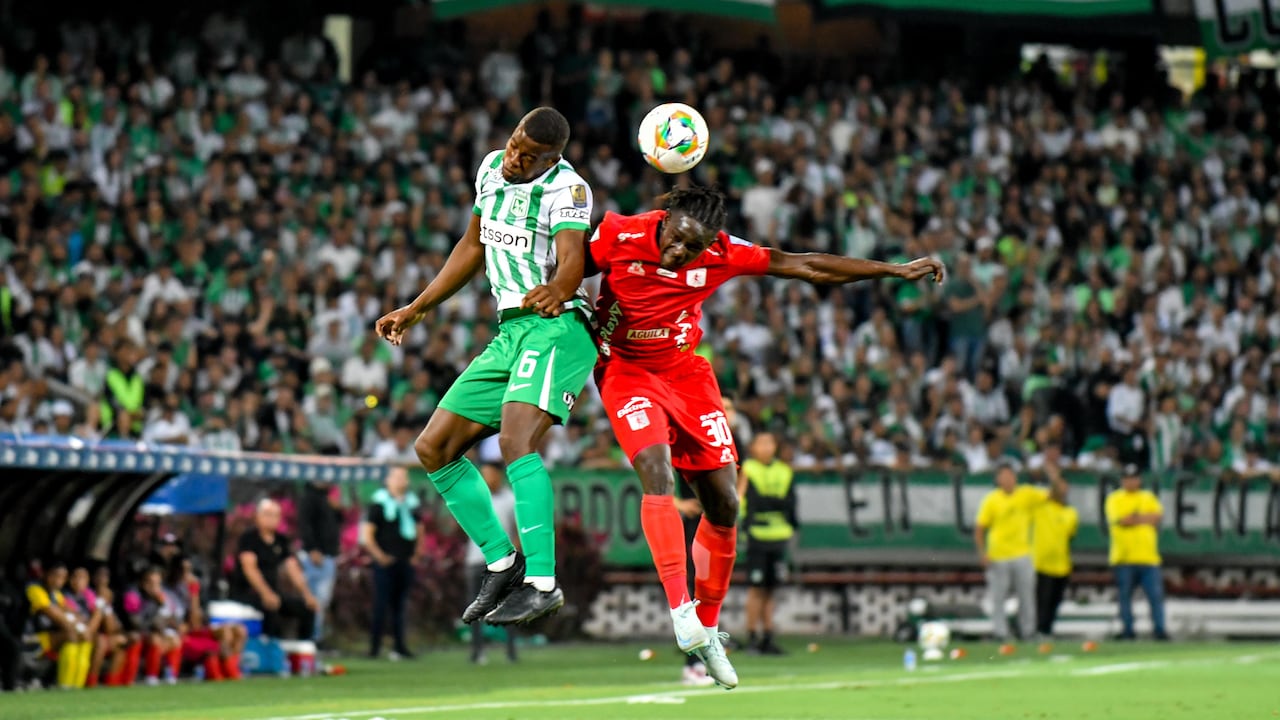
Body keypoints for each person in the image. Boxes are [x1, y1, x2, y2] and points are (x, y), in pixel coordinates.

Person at [584, 186, 944, 689]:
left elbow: (806, 266)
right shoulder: (620, 232)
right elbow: (566, 268)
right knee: (656, 471)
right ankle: (680, 608)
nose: (679, 254)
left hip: (687, 376)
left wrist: (892, 269)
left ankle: (707, 631)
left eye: (693, 247)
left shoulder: (723, 253)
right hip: (626, 371)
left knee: (725, 506)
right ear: (664, 220)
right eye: (675, 240)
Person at [376, 107, 597, 626]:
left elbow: (572, 259)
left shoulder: (569, 189)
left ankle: (542, 582)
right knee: (433, 447)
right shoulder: (491, 168)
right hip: (509, 333)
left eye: (529, 155)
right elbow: (473, 245)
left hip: (556, 327)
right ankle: (502, 563)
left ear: (554, 158)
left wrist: (559, 288)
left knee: (515, 441)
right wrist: (418, 306)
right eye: (515, 144)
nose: (516, 158)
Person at [974, 463, 1069, 641]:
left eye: (1010, 475)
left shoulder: (1026, 494)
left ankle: (1028, 632)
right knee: (998, 598)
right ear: (998, 479)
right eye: (1004, 475)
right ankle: (1000, 633)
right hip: (998, 555)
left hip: (1022, 553)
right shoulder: (992, 499)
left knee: (1027, 597)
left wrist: (1054, 478)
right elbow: (980, 528)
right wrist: (982, 553)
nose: (1008, 479)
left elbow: (1056, 496)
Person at [739, 432, 796, 656]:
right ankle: (752, 635)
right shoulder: (748, 469)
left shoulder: (784, 471)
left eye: (770, 442)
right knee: (756, 588)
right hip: (757, 536)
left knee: (771, 589)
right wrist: (773, 503)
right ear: (752, 447)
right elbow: (751, 502)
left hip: (779, 536)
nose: (766, 447)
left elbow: (789, 504)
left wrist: (768, 504)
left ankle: (768, 636)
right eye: (761, 443)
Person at [230, 499, 318, 639]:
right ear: (258, 516)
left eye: (275, 515)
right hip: (249, 592)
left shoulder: (281, 540)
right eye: (267, 514)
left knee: (306, 608)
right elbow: (250, 569)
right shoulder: (249, 538)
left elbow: (292, 568)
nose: (271, 519)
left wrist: (307, 594)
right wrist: (265, 593)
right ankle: (267, 648)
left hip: (273, 592)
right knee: (270, 607)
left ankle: (303, 649)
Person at [361, 466, 423, 659]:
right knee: (381, 604)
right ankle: (375, 647)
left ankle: (399, 646)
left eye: (403, 477)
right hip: (385, 562)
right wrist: (379, 556)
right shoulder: (378, 504)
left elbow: (420, 530)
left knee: (400, 605)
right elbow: (368, 534)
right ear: (388, 480)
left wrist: (417, 554)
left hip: (405, 561)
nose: (400, 481)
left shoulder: (411, 504)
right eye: (396, 477)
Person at [466, 438, 519, 665]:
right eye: (484, 474)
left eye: (491, 474)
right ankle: (477, 652)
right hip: (475, 559)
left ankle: (510, 651)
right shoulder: (475, 497)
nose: (488, 478)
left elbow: (518, 530)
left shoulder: (510, 499)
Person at [1106, 464, 1169, 640]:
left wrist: (1135, 518)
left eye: (1134, 478)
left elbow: (1157, 517)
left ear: (1139, 479)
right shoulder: (1114, 498)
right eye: (1127, 478)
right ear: (1122, 480)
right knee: (1125, 597)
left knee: (1155, 596)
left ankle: (1159, 629)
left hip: (1148, 557)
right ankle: (1127, 630)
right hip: (1124, 557)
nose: (1131, 481)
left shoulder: (1147, 496)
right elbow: (1122, 520)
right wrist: (1144, 518)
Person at [26, 560, 92, 689]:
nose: (58, 581)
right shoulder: (34, 589)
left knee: (85, 637)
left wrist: (81, 627)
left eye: (62, 577)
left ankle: (76, 685)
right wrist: (78, 626)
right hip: (30, 639)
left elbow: (75, 614)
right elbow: (56, 616)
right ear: (44, 574)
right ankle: (64, 685)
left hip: (50, 637)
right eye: (55, 576)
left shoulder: (57, 595)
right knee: (71, 634)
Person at [1031, 464, 1077, 637]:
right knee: (1041, 600)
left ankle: (1047, 631)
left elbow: (1070, 537)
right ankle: (1038, 630)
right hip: (1042, 563)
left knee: (1055, 601)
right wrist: (1054, 477)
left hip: (1061, 563)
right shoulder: (1041, 506)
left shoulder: (1071, 512)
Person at [297, 479, 341, 645]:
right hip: (315, 556)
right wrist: (312, 548)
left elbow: (334, 525)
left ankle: (316, 636)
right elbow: (305, 524)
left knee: (323, 599)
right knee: (314, 597)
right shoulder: (308, 498)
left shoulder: (327, 498)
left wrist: (337, 509)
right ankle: (310, 637)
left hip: (329, 554)